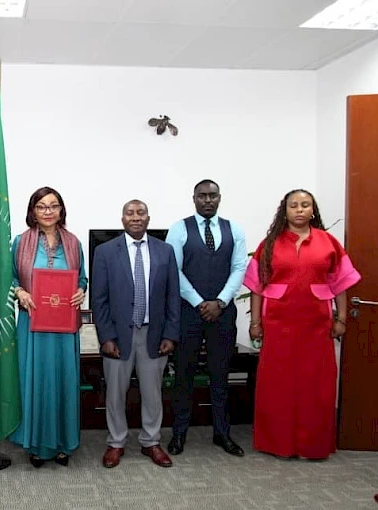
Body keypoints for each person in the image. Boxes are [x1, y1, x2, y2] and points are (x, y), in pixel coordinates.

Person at [245, 189, 360, 460]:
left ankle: (313, 445)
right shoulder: (270, 243)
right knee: (278, 384)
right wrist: (254, 322)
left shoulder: (328, 242)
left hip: (316, 326)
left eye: (305, 205)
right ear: (284, 211)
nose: (299, 210)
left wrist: (341, 318)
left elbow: (340, 284)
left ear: (313, 210)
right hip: (277, 324)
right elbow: (257, 287)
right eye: (293, 205)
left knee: (315, 385)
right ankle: (278, 443)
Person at [92, 199, 180, 469]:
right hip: (118, 336)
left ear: (148, 218)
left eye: (140, 212)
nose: (135, 217)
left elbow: (172, 296)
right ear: (122, 220)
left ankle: (151, 441)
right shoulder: (106, 252)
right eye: (130, 213)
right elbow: (99, 297)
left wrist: (171, 334)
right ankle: (116, 442)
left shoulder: (165, 251)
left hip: (153, 335)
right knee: (115, 394)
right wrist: (106, 336)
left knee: (153, 393)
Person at [165, 179, 247, 457]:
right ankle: (178, 434)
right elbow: (172, 270)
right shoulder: (179, 228)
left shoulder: (233, 228)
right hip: (188, 312)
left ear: (220, 198)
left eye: (212, 196)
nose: (208, 200)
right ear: (194, 198)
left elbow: (239, 268)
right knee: (183, 376)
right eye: (202, 196)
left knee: (220, 375)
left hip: (223, 313)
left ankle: (222, 434)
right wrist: (201, 302)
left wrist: (221, 301)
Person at [8, 187, 87, 468]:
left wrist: (80, 291)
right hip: (33, 324)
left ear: (61, 210)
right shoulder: (20, 242)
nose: (48, 211)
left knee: (63, 380)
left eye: (53, 206)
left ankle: (64, 444)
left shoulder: (74, 242)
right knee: (36, 381)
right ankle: (37, 445)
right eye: (41, 206)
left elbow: (83, 279)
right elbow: (10, 277)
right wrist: (20, 292)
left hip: (64, 326)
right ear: (32, 212)